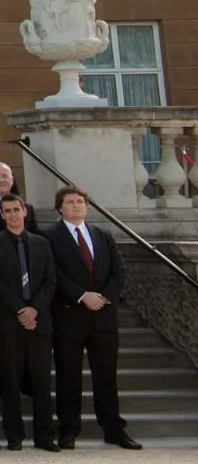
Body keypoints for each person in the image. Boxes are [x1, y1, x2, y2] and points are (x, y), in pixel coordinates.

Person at [45, 184, 142, 449]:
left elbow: (118, 271)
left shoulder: (102, 235)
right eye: (70, 202)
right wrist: (81, 295)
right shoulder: (50, 237)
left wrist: (103, 297)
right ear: (60, 208)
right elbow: (53, 273)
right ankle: (69, 429)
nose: (76, 205)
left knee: (106, 375)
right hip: (69, 315)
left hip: (103, 316)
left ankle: (113, 429)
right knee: (69, 375)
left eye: (80, 201)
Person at [0, 193, 58, 451]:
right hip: (7, 323)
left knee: (40, 382)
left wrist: (34, 309)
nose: (13, 215)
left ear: (25, 212)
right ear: (2, 215)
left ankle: (45, 436)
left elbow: (51, 280)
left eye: (17, 210)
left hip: (39, 323)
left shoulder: (42, 243)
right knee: (11, 381)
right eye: (8, 211)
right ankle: (14, 436)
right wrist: (20, 309)